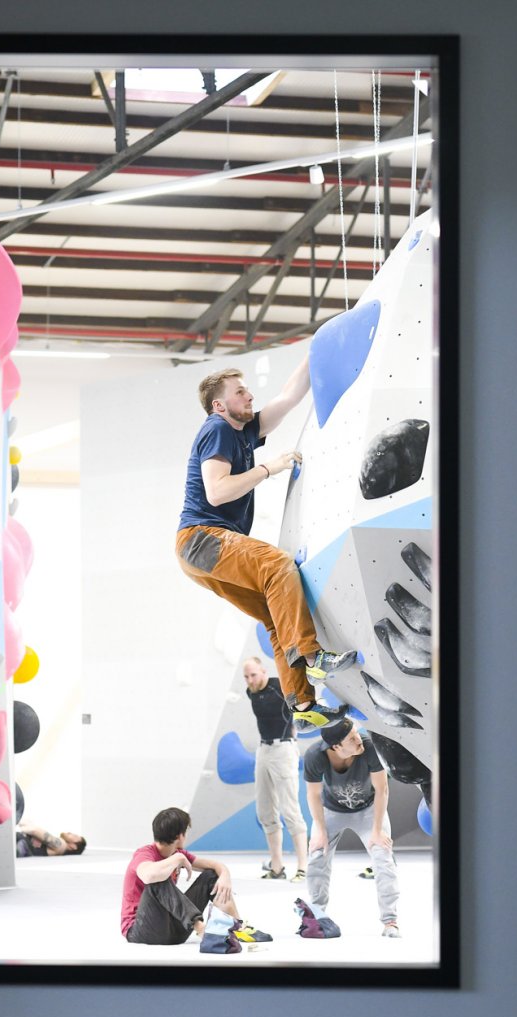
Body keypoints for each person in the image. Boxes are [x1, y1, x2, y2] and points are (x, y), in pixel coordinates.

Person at [175, 362, 356, 728]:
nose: (250, 395)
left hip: (199, 552)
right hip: (202, 538)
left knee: (276, 616)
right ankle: (312, 656)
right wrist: (269, 468)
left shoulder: (244, 430)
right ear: (219, 406)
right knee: (277, 565)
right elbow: (216, 491)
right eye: (240, 392)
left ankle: (302, 706)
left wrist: (314, 353)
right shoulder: (217, 429)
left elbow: (288, 397)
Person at [302, 717, 401, 938]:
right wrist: (320, 830)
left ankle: (390, 921)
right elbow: (313, 794)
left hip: (369, 810)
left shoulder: (370, 747)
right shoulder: (315, 756)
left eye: (357, 733)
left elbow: (382, 789)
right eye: (352, 738)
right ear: (336, 746)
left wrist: (377, 830)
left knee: (383, 856)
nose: (359, 739)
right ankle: (317, 915)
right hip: (331, 810)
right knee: (317, 854)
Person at [121, 806, 271, 945]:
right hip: (140, 931)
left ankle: (236, 927)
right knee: (158, 880)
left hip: (174, 930)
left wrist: (225, 876)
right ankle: (201, 928)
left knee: (211, 876)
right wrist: (177, 859)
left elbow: (215, 866)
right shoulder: (145, 854)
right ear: (180, 836)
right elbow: (148, 876)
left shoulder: (178, 853)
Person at [243, 656, 308, 882]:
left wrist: (294, 732)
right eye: (246, 676)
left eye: (254, 675)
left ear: (263, 671)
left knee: (290, 811)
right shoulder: (250, 692)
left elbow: (300, 701)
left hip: (284, 749)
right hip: (263, 750)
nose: (250, 680)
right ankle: (277, 867)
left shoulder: (280, 686)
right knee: (265, 812)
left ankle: (303, 867)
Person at [15, 820, 86, 857]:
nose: (70, 833)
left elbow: (35, 830)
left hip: (21, 843)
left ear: (73, 846)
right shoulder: (59, 846)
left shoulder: (62, 845)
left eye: (75, 836)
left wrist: (15, 828)